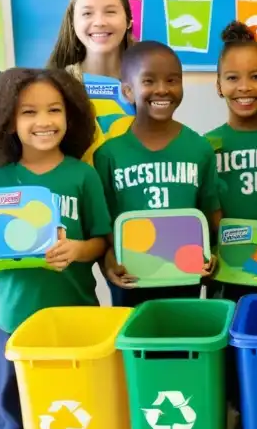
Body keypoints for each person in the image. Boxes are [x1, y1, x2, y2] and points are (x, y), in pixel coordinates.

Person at [0, 68, 111, 429]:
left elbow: (100, 240)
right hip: (15, 313)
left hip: (74, 310)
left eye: (54, 110)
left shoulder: (83, 176)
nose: (44, 120)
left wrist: (78, 251)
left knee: (76, 387)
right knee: (11, 393)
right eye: (29, 112)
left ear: (72, 116)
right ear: (7, 121)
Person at [93, 41, 220, 307]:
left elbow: (210, 211)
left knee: (182, 342)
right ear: (128, 91)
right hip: (132, 276)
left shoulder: (199, 148)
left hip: (185, 276)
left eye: (172, 80)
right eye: (149, 81)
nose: (162, 89)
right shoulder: (108, 154)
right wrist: (108, 257)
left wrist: (214, 253)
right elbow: (103, 220)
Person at [206, 21, 257, 301]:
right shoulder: (205, 146)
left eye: (255, 76)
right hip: (225, 273)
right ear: (218, 85)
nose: (244, 87)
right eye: (232, 78)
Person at [48, 0, 134, 159]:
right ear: (73, 22)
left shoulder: (146, 79)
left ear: (128, 20)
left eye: (110, 12)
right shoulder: (57, 85)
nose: (100, 22)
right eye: (87, 13)